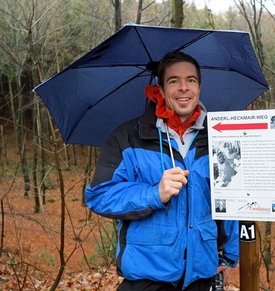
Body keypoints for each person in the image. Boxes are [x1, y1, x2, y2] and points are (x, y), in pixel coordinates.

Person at [85, 52, 239, 291]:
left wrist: (230, 255)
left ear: (199, 86)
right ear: (160, 88)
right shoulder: (128, 137)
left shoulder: (219, 137)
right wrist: (154, 193)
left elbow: (231, 199)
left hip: (201, 277)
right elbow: (99, 195)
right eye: (173, 81)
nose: (183, 88)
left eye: (191, 80)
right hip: (147, 280)